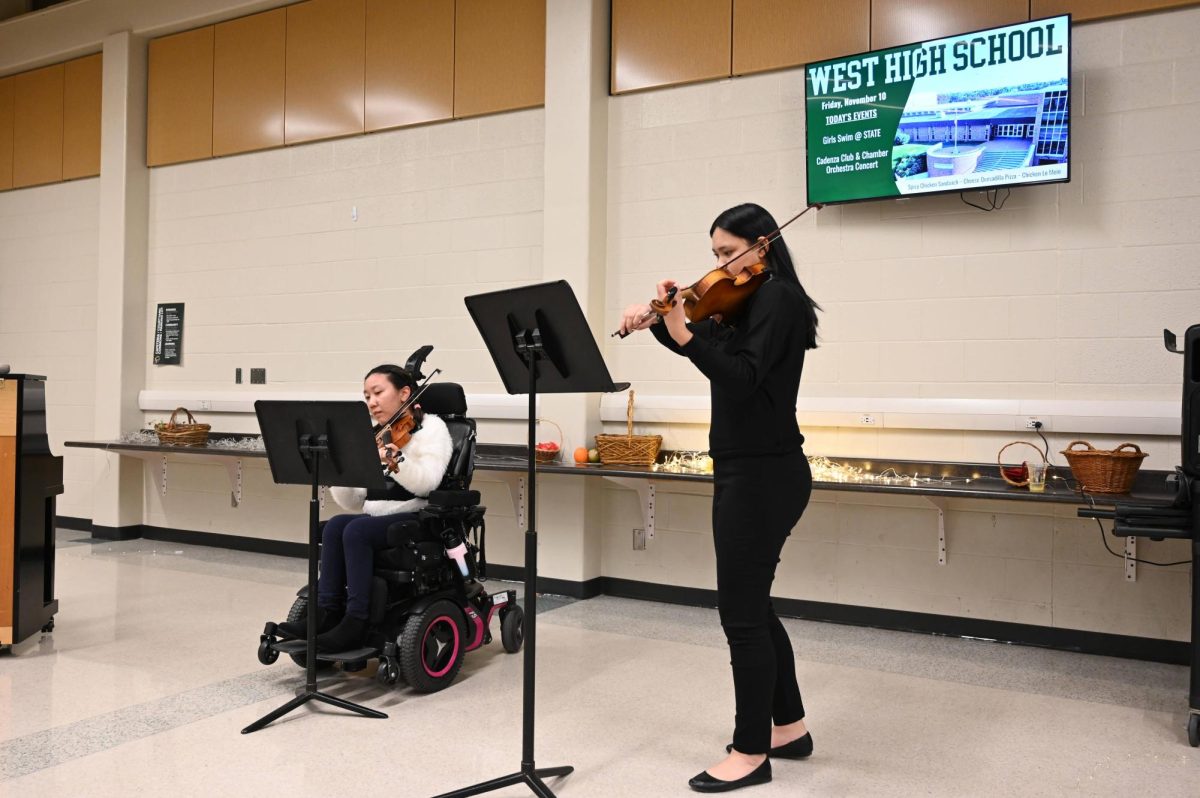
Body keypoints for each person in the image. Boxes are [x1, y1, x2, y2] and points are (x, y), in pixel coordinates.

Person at [619, 203, 821, 793]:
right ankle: (790, 727)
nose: (718, 266)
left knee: (739, 616)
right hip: (746, 469)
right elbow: (700, 342)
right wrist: (663, 322)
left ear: (763, 244)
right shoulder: (742, 300)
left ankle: (750, 749)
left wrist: (680, 329)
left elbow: (740, 376)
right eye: (713, 256)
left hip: (764, 475)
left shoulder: (777, 298)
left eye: (728, 253)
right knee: (754, 607)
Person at [277, 364, 453, 652]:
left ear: (404, 392)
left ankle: (356, 621)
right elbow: (353, 501)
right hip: (378, 515)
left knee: (357, 530)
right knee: (335, 526)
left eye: (378, 393)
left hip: (414, 514)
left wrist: (397, 462)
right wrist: (340, 470)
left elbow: (428, 483)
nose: (371, 402)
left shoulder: (432, 428)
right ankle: (326, 613)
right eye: (367, 395)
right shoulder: (376, 434)